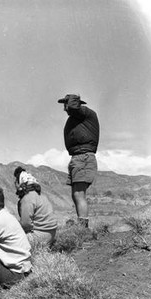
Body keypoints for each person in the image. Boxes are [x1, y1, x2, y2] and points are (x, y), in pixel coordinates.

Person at [58, 94, 100, 228]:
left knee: (78, 194)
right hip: (78, 157)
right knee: (76, 194)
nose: (65, 108)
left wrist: (71, 102)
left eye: (66, 104)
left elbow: (73, 106)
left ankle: (83, 229)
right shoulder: (76, 118)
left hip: (83, 157)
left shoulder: (86, 113)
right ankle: (82, 227)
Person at [13, 167, 58, 247]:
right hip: (50, 233)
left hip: (39, 236)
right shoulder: (39, 195)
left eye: (16, 182)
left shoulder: (27, 198)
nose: (15, 184)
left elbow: (26, 224)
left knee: (8, 241)